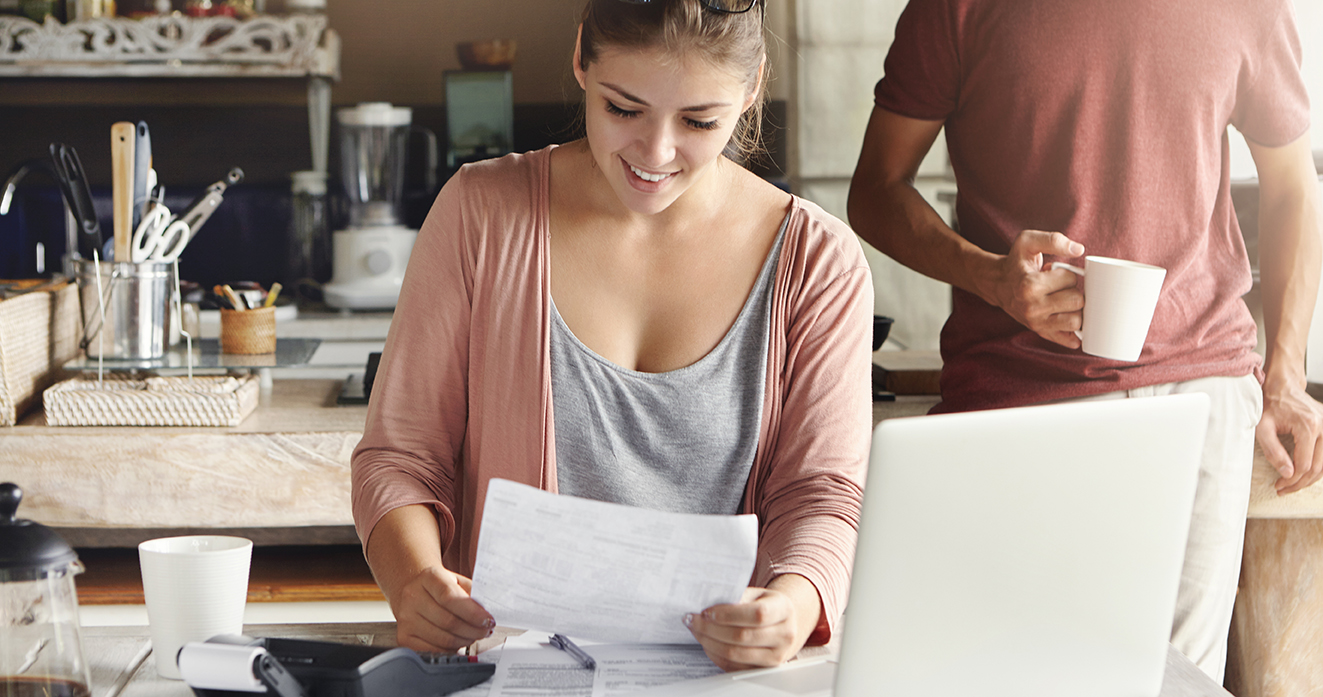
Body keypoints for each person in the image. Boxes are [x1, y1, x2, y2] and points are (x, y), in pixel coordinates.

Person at [351, 0, 873, 672]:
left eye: (699, 121)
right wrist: (413, 580)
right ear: (580, 61)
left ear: (750, 88)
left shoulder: (817, 260)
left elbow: (822, 492)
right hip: (508, 675)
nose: (655, 154)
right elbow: (399, 458)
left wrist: (796, 605)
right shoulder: (480, 213)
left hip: (724, 682)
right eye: (623, 109)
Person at [847, 0, 1323, 681]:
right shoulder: (953, 8)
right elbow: (874, 188)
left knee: (1169, 683)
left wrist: (1285, 377)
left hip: (1199, 388)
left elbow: (1291, 190)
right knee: (1009, 678)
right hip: (1011, 397)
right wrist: (988, 276)